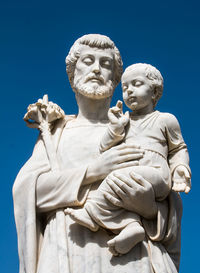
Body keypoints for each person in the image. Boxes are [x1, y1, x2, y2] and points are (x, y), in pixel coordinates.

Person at [13, 35, 184, 273]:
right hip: (67, 250)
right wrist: (93, 170)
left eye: (106, 63)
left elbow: (166, 193)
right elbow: (29, 194)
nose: (96, 68)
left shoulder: (134, 131)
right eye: (88, 61)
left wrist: (149, 209)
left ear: (117, 79)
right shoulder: (57, 132)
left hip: (131, 260)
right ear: (73, 74)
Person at [66, 63, 191, 257]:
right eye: (125, 88)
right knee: (117, 193)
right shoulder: (124, 121)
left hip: (155, 172)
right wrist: (115, 128)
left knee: (113, 181)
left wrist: (181, 168)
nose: (129, 91)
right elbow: (104, 148)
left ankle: (92, 213)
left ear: (154, 91)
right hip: (130, 172)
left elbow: (178, 148)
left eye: (137, 84)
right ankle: (132, 226)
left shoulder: (165, 119)